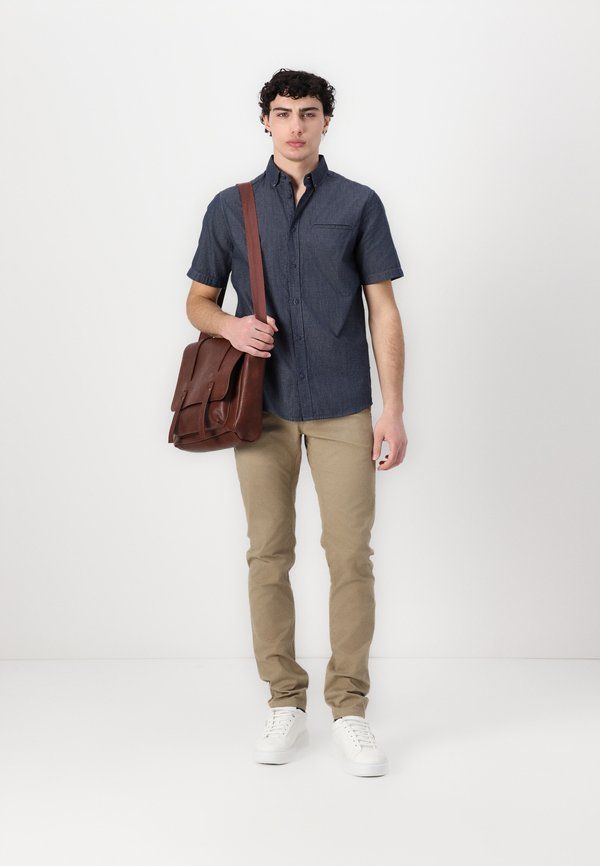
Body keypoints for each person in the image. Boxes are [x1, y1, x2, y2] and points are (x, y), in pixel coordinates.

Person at [185, 68, 407, 777]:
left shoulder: (359, 203)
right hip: (262, 406)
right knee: (268, 553)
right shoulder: (232, 206)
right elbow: (197, 301)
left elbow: (384, 309)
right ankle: (285, 699)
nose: (295, 126)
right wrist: (231, 325)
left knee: (350, 556)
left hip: (344, 403)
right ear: (265, 121)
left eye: (308, 113)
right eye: (282, 113)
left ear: (326, 121)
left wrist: (393, 409)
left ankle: (349, 708)